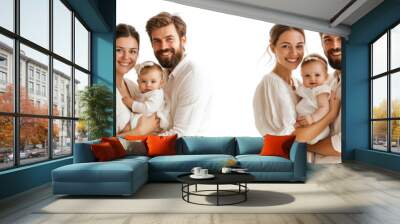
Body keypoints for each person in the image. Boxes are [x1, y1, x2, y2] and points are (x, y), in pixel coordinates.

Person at [253, 25, 340, 156]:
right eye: (285, 46)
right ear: (273, 48)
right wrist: (330, 115)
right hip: (282, 159)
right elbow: (290, 138)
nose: (294, 53)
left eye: (299, 46)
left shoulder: (300, 84)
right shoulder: (271, 83)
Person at [142, 12, 212, 137]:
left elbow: (181, 134)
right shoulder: (162, 75)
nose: (163, 47)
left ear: (183, 40)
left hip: (187, 154)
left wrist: (134, 141)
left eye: (169, 39)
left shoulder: (192, 75)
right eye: (157, 41)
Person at [115, 23, 159, 136]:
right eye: (119, 50)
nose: (126, 57)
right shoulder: (103, 89)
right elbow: (101, 142)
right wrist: (139, 131)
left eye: (132, 51)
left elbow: (154, 118)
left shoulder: (133, 86)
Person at [305, 33, 343, 162]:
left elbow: (343, 144)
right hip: (313, 171)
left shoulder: (362, 83)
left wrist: (304, 146)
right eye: (328, 40)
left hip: (339, 175)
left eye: (340, 39)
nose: (335, 46)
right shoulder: (326, 83)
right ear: (322, 45)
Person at [121, 61, 170, 131]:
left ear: (161, 83)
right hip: (146, 118)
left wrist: (132, 104)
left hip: (153, 118)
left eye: (153, 81)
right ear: (138, 82)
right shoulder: (141, 92)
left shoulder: (157, 94)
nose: (148, 85)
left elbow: (148, 108)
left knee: (128, 127)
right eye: (144, 81)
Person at [295, 54, 331, 145]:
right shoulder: (306, 89)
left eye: (317, 75)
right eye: (307, 75)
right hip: (306, 123)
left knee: (304, 144)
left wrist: (312, 118)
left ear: (326, 77)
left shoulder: (321, 90)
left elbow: (324, 108)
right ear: (302, 77)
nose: (312, 79)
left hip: (317, 125)